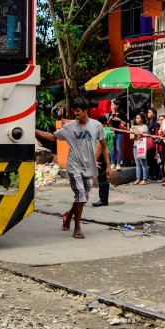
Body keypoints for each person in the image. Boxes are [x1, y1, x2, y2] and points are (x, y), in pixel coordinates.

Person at [34, 98, 108, 239]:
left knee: (83, 198)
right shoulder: (70, 127)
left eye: (78, 111)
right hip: (74, 166)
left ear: (86, 110)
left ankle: (68, 216)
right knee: (80, 195)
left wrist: (108, 166)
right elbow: (51, 137)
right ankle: (77, 228)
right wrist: (33, 131)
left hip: (89, 166)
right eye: (74, 111)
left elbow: (104, 146)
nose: (75, 114)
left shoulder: (96, 125)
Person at [92, 116, 113, 207]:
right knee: (104, 177)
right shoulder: (110, 131)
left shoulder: (101, 132)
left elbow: (99, 147)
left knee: (102, 177)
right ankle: (104, 199)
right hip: (108, 154)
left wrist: (94, 160)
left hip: (101, 156)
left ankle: (103, 199)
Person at [106, 99, 127, 170]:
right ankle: (112, 163)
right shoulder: (110, 113)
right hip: (112, 132)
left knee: (118, 148)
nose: (112, 106)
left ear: (117, 106)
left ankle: (118, 163)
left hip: (119, 133)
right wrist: (110, 118)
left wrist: (119, 120)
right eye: (111, 105)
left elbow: (125, 124)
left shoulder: (122, 113)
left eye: (113, 105)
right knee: (112, 148)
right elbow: (107, 124)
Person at [129, 113, 150, 185]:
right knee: (137, 163)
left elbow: (141, 135)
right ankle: (138, 178)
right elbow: (132, 137)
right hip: (135, 145)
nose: (137, 119)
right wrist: (134, 131)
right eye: (136, 118)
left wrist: (136, 130)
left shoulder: (144, 126)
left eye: (138, 118)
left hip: (142, 145)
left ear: (142, 119)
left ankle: (145, 178)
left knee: (143, 163)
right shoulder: (135, 126)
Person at [145, 108, 161, 181]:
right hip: (148, 143)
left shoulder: (156, 124)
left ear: (154, 114)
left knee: (155, 160)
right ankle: (150, 175)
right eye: (148, 112)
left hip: (155, 143)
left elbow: (157, 135)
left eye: (150, 112)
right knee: (150, 160)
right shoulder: (147, 122)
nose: (148, 114)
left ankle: (156, 175)